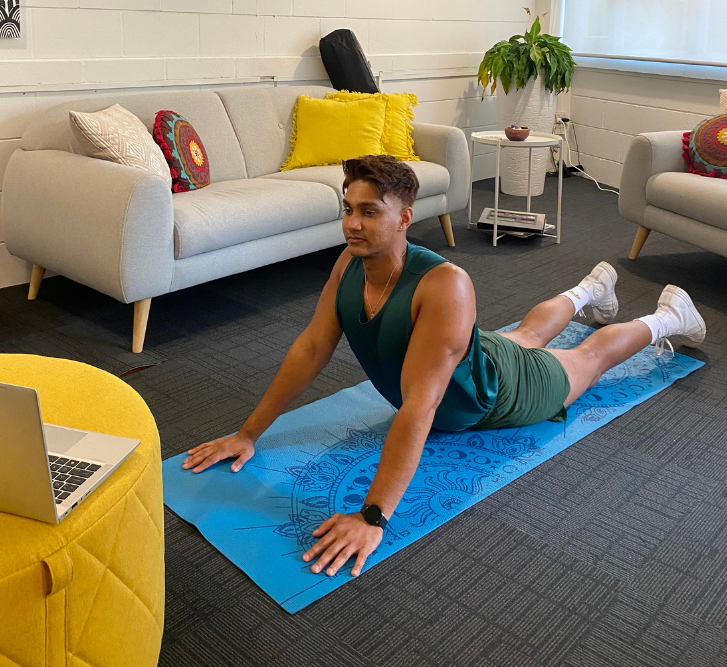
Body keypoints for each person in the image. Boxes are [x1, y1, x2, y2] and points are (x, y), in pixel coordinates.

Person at [183, 155, 706, 579]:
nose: (351, 224)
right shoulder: (349, 261)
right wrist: (248, 433)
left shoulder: (445, 285)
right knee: (524, 335)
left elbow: (422, 404)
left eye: (369, 212)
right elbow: (312, 348)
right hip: (472, 357)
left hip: (500, 394)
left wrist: (372, 516)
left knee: (586, 360)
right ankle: (591, 289)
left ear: (404, 218)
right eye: (348, 209)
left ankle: (667, 317)